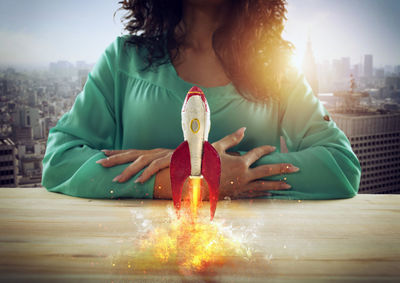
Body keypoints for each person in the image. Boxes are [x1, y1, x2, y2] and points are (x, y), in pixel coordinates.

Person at [42, 0, 361, 201]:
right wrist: (179, 176)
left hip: (247, 257)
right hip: (137, 255)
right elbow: (60, 160)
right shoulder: (123, 59)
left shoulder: (274, 66)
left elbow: (341, 167)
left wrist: (228, 171)